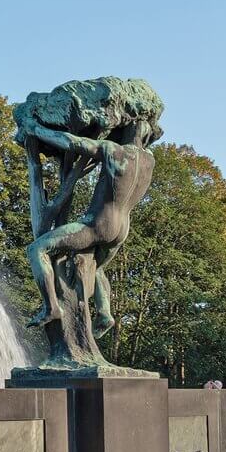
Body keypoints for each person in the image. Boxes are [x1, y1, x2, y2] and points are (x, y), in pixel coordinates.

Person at [24, 116, 161, 334]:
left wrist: (36, 129)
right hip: (122, 229)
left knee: (36, 249)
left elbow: (72, 142)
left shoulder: (113, 150)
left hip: (99, 224)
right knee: (97, 267)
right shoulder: (149, 160)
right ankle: (105, 312)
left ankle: (51, 307)